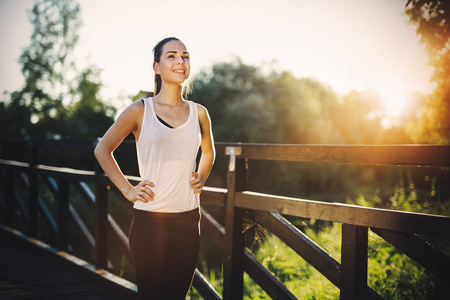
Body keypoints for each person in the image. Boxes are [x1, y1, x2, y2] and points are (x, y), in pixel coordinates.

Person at [94, 37, 215, 299]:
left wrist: (201, 176)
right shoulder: (140, 110)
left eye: (185, 56)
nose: (180, 61)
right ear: (156, 67)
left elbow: (208, 151)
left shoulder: (200, 113)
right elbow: (102, 150)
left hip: (188, 220)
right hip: (150, 223)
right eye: (171, 56)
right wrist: (128, 190)